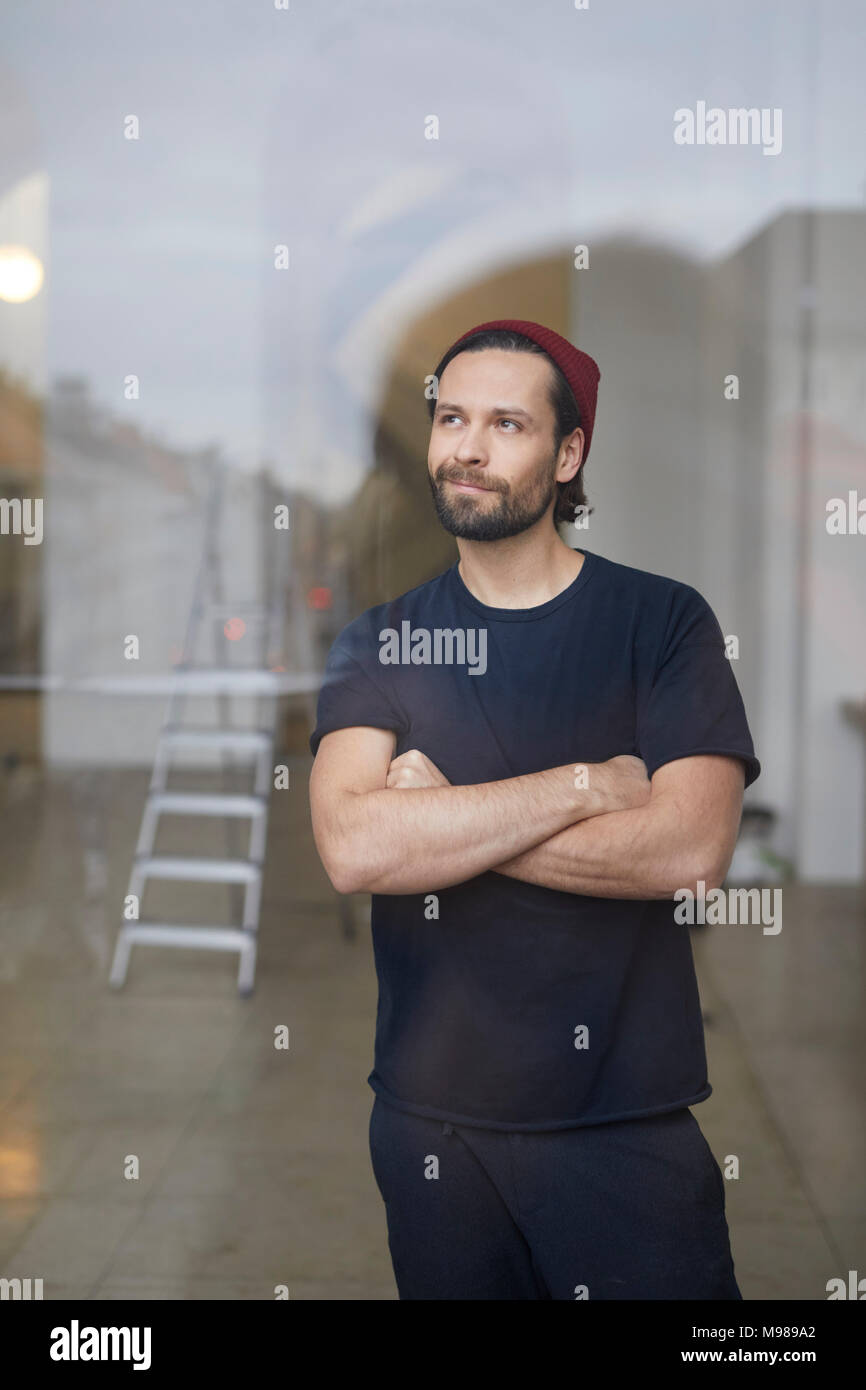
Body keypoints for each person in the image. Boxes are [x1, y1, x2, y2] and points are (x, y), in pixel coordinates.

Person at [308, 319, 760, 1300]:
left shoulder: (661, 622)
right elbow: (352, 846)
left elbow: (686, 850)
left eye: (505, 423)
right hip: (431, 1133)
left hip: (621, 1124)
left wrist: (444, 825)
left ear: (566, 454)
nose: (465, 446)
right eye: (451, 418)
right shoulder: (378, 643)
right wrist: (586, 786)